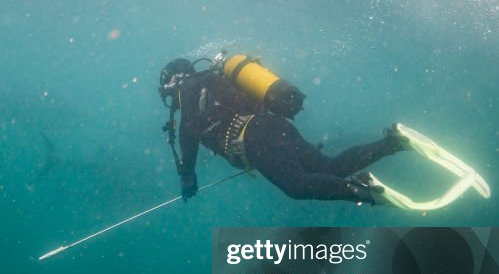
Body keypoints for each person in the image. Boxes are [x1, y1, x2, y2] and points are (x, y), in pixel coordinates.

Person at [159, 55, 408, 205]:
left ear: (174, 80)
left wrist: (188, 173)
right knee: (330, 167)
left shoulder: (189, 84)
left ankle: (366, 193)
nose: (171, 98)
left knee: (296, 185)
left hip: (254, 137)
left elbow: (188, 128)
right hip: (272, 128)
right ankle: (392, 143)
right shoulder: (210, 83)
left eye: (167, 89)